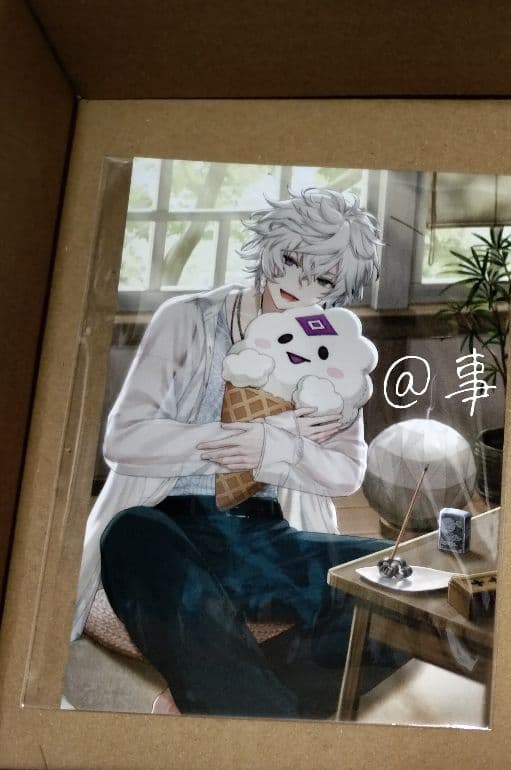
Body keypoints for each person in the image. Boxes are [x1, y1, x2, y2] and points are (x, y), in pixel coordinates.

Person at [70, 188, 399, 718]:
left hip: (265, 538)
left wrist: (278, 447)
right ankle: (262, 715)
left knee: (395, 581)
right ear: (270, 247)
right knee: (129, 535)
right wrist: (226, 441)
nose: (298, 284)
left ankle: (226, 699)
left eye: (322, 280)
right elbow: (123, 438)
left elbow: (346, 472)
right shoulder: (188, 319)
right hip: (169, 525)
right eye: (291, 260)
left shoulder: (333, 353)